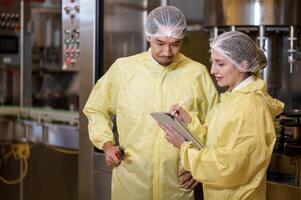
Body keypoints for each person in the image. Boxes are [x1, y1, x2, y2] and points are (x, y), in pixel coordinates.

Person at [83, 5, 219, 200]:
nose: (167, 51)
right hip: (131, 184)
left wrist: (199, 165)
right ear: (148, 37)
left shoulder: (196, 73)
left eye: (175, 44)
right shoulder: (124, 69)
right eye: (160, 43)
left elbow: (214, 126)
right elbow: (96, 108)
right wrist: (107, 145)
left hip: (177, 187)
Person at [160, 31, 284, 200]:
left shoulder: (251, 107)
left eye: (220, 64)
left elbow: (231, 166)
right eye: (213, 63)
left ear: (244, 64)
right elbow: (215, 141)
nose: (212, 70)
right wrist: (189, 123)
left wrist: (184, 148)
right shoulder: (232, 98)